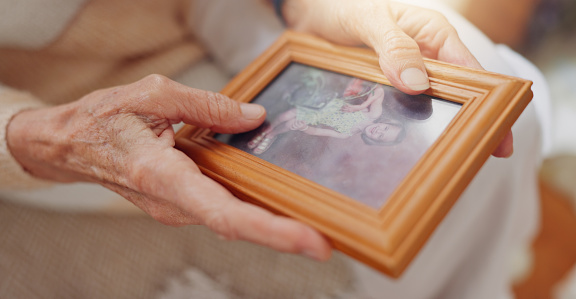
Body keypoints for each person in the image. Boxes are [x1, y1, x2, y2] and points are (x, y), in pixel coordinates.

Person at [0, 0, 550, 298]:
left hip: (236, 46)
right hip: (48, 139)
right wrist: (35, 137)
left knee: (473, 73)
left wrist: (300, 24)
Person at [247, 84, 405, 154]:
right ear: (386, 122)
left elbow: (317, 131)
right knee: (283, 115)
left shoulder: (346, 133)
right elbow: (379, 91)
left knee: (289, 122)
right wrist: (360, 106)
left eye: (380, 136)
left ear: (374, 141)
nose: (378, 131)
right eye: (385, 128)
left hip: (315, 115)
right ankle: (267, 130)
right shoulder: (372, 114)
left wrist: (303, 127)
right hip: (323, 102)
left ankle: (271, 136)